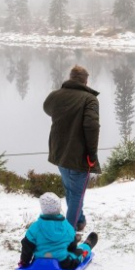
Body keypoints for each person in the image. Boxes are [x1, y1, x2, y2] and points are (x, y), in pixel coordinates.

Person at [43, 65, 101, 232]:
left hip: (60, 153)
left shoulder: (56, 96)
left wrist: (62, 113)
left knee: (71, 190)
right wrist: (92, 154)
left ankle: (79, 220)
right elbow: (91, 126)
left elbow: (47, 108)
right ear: (85, 80)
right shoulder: (89, 99)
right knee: (76, 194)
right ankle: (68, 233)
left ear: (70, 78)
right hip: (79, 156)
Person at [19, 192, 98, 270]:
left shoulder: (35, 227)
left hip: (38, 262)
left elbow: (27, 246)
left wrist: (24, 261)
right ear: (58, 208)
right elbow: (72, 246)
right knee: (79, 251)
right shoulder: (66, 226)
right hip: (63, 263)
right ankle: (87, 245)